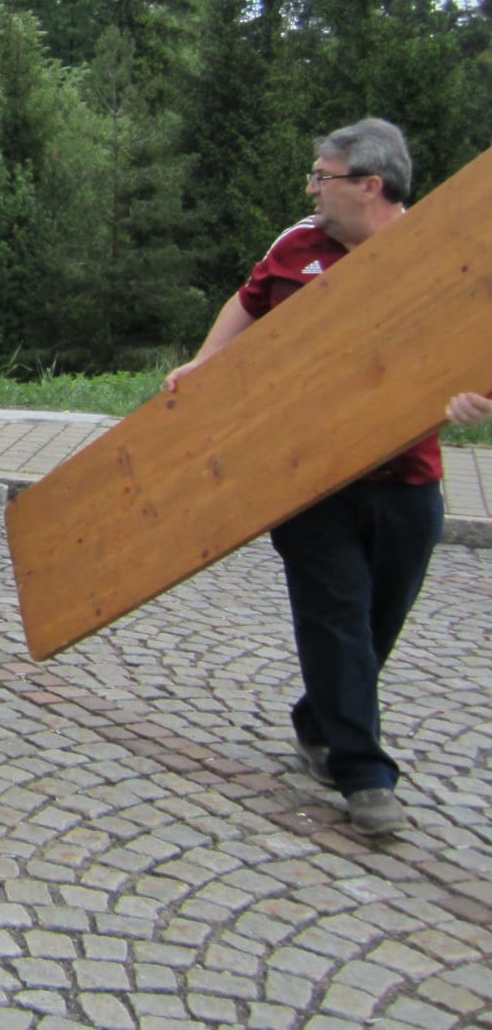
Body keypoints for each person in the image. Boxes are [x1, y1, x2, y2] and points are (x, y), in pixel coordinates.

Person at [164, 118, 443, 840]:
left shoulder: (438, 248)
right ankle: (365, 776)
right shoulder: (297, 244)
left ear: (370, 186)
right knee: (336, 615)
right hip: (305, 478)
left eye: (323, 176)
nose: (312, 189)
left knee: (376, 623)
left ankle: (319, 719)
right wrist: (205, 364)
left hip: (407, 479)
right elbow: (249, 301)